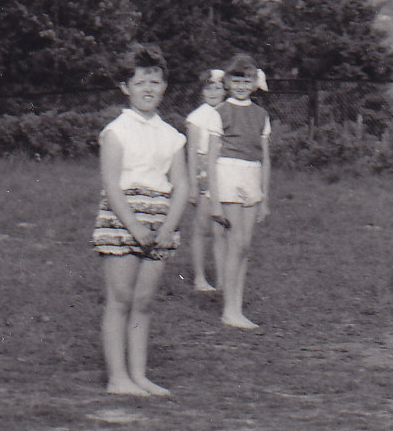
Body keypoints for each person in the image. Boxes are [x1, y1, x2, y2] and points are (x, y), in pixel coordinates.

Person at [92, 43, 191, 395]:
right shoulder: (116, 131)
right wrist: (133, 226)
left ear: (164, 86)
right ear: (125, 87)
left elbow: (182, 185)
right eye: (139, 83)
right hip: (123, 220)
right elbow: (111, 185)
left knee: (144, 302)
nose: (148, 89)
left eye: (155, 82)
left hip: (160, 220)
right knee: (120, 297)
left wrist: (167, 227)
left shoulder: (173, 136)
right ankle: (117, 378)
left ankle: (139, 374)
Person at [208, 53, 271, 330]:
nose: (241, 86)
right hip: (228, 174)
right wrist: (214, 202)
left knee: (244, 245)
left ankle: (237, 306)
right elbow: (211, 159)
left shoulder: (261, 115)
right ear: (228, 83)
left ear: (255, 83)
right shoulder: (220, 112)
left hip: (251, 175)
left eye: (247, 81)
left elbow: (265, 158)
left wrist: (264, 198)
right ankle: (229, 310)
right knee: (235, 243)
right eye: (236, 81)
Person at [183, 69, 228, 294]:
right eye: (208, 88)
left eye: (218, 88)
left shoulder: (228, 112)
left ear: (225, 90)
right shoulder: (197, 117)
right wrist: (193, 184)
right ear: (202, 91)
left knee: (220, 229)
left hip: (225, 171)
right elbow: (191, 152)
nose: (213, 92)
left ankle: (222, 280)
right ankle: (199, 278)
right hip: (203, 173)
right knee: (202, 227)